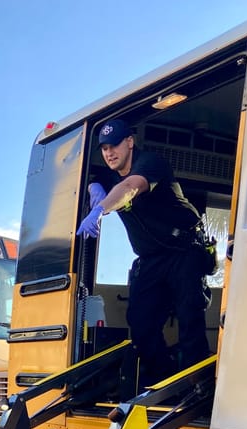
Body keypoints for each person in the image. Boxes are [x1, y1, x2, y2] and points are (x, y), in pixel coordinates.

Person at [77, 118, 213, 385]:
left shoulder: (150, 163)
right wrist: (94, 187)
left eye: (114, 145)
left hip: (185, 250)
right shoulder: (109, 173)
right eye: (104, 149)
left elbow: (130, 187)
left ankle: (198, 387)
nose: (109, 153)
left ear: (130, 142)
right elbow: (97, 179)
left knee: (189, 317)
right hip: (152, 258)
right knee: (140, 322)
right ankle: (164, 379)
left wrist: (99, 209)